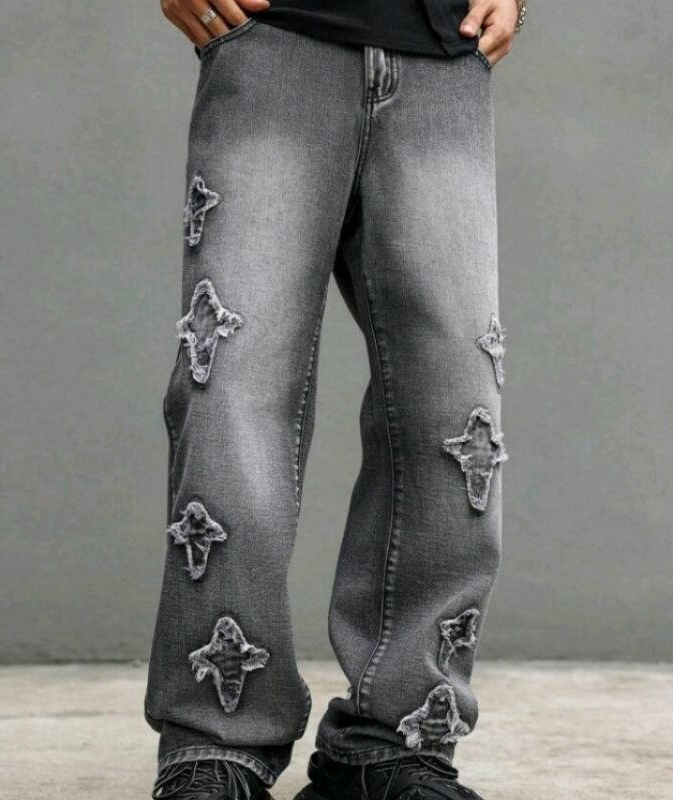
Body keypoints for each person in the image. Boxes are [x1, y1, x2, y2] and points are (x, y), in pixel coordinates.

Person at [144, 1, 524, 799]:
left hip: (441, 56)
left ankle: (395, 742)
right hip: (276, 40)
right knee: (234, 388)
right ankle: (217, 741)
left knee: (456, 408)